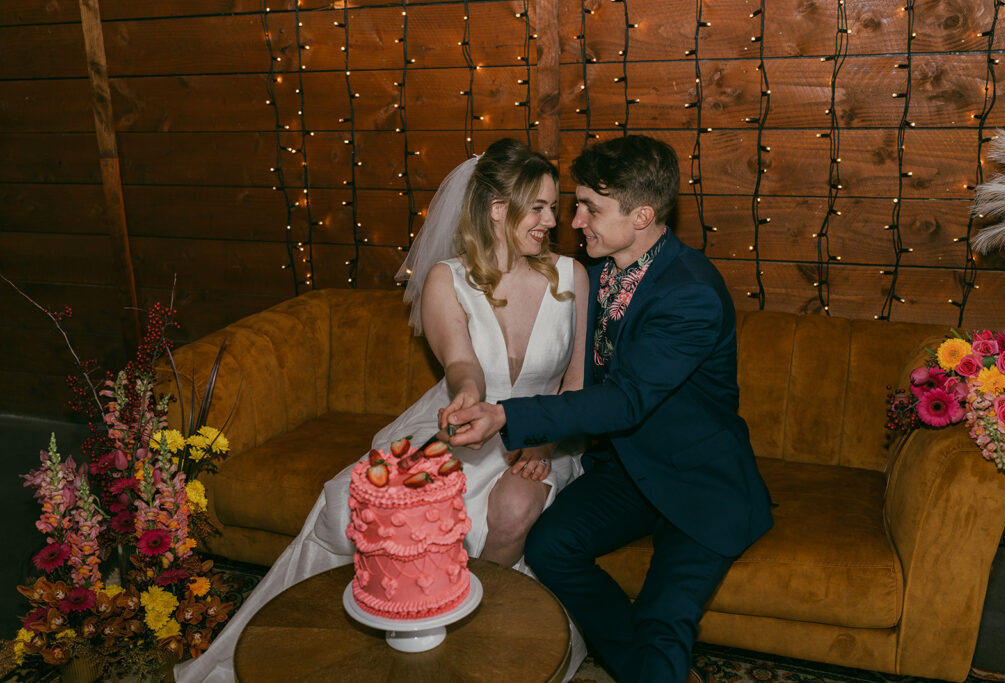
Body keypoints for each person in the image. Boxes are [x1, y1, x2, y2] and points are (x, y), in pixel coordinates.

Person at [174, 138, 590, 682]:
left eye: (553, 207)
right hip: (461, 420)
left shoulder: (571, 277)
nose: (550, 221)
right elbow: (462, 364)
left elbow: (578, 382)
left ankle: (480, 632)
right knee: (356, 502)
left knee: (512, 512)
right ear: (496, 208)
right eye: (538, 206)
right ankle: (334, 630)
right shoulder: (448, 278)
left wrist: (541, 441)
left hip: (546, 430)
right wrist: (467, 397)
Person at [445, 135, 774, 682]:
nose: (573, 222)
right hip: (625, 471)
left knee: (663, 619)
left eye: (590, 209)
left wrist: (509, 416)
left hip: (695, 483)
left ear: (642, 215)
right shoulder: (595, 273)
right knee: (551, 548)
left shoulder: (689, 291)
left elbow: (625, 401)